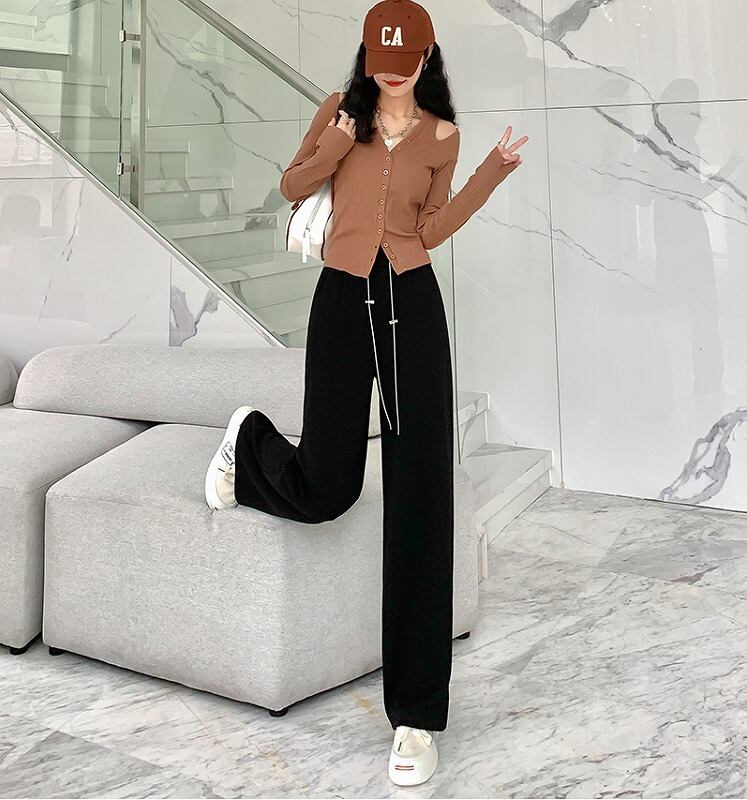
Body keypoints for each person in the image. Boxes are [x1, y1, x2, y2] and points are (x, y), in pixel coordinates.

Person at [204, 0, 527, 786]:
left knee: (420, 497)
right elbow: (291, 185)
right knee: (328, 483)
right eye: (381, 61)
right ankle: (249, 447)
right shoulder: (337, 111)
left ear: (426, 58)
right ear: (366, 57)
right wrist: (336, 142)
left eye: (404, 62)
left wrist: (489, 173)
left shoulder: (442, 136)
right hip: (342, 298)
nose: (391, 73)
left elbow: (432, 228)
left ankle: (415, 718)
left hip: (411, 303)